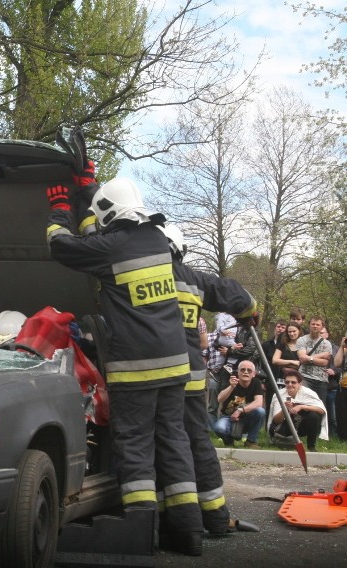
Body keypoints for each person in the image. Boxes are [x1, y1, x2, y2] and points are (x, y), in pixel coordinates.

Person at [45, 173, 202, 555]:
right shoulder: (158, 240)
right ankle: (188, 532)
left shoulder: (111, 247)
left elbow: (63, 245)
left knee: (134, 443)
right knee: (173, 441)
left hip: (137, 365)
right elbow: (101, 235)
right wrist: (87, 188)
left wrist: (60, 207)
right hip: (175, 364)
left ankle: (139, 530)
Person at [158, 224, 258, 536]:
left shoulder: (143, 276)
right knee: (198, 442)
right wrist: (250, 310)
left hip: (158, 378)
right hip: (192, 376)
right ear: (180, 250)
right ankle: (216, 517)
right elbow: (237, 295)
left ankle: (169, 520)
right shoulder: (194, 279)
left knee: (164, 445)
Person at [267, 369, 327, 451]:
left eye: (293, 382)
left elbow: (321, 410)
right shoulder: (279, 394)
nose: (290, 384)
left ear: (300, 384)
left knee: (314, 416)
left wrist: (302, 407)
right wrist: (285, 409)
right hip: (285, 424)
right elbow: (276, 420)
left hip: (302, 424)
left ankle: (311, 446)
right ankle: (283, 440)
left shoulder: (308, 393)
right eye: (287, 382)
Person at [213, 360, 266, 449]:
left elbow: (259, 402)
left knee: (260, 411)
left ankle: (251, 441)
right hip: (228, 417)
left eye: (249, 370)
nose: (245, 372)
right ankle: (229, 441)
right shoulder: (231, 381)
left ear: (254, 374)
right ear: (238, 372)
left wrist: (240, 410)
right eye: (242, 370)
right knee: (219, 428)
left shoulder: (256, 383)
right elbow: (219, 399)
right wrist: (231, 387)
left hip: (247, 417)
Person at [296, 316, 332, 404]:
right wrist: (322, 355)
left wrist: (309, 358)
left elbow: (325, 362)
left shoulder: (327, 343)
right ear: (309, 325)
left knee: (319, 406)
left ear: (322, 327)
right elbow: (302, 358)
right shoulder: (302, 340)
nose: (315, 326)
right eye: (313, 324)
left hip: (321, 379)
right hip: (304, 377)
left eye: (317, 324)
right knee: (303, 403)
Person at [334, 336, 347, 440]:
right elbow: (337, 363)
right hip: (343, 386)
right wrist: (341, 347)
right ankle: (343, 437)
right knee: (342, 413)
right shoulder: (345, 349)